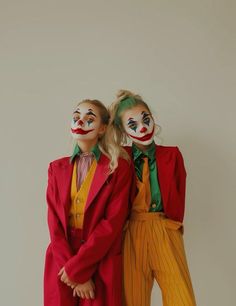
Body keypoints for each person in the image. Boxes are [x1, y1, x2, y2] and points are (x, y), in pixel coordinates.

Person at [109, 90, 196, 306]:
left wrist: (173, 226)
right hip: (131, 233)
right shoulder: (121, 158)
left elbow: (179, 193)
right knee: (132, 300)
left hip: (165, 227)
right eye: (133, 124)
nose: (142, 127)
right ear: (123, 131)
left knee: (182, 299)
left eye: (146, 119)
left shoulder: (172, 155)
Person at [44, 99, 133, 306]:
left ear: (102, 128)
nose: (80, 121)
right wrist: (74, 272)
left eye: (89, 118)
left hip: (100, 257)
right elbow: (54, 224)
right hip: (61, 260)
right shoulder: (56, 168)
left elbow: (113, 223)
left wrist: (80, 268)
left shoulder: (118, 167)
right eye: (76, 117)